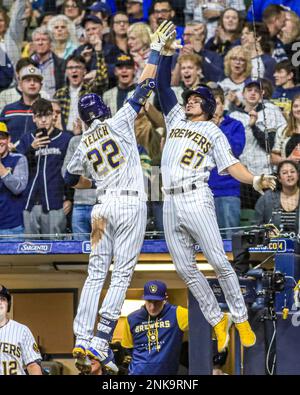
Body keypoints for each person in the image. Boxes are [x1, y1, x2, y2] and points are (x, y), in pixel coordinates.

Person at [64, 20, 176, 374]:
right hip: (128, 203)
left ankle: (82, 335)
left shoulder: (82, 141)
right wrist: (155, 49)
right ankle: (100, 339)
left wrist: (94, 182)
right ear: (103, 111)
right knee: (123, 273)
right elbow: (144, 86)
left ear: (83, 119)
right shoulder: (119, 122)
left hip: (100, 207)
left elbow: (69, 178)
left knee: (96, 273)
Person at [155, 35, 277, 353]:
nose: (190, 101)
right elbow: (162, 88)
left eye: (196, 99)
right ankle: (216, 320)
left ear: (207, 107)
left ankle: (240, 318)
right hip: (169, 200)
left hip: (196, 196)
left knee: (219, 264)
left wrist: (255, 180)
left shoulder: (213, 130)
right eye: (190, 98)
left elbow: (232, 166)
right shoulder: (176, 118)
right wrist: (167, 54)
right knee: (184, 268)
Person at [17, 98, 72, 236]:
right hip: (30, 204)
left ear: (54, 115)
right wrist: (31, 149)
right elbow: (18, 169)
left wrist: (70, 198)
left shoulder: (65, 139)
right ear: (34, 118)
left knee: (56, 250)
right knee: (30, 251)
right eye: (39, 116)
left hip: (55, 203)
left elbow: (72, 171)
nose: (43, 120)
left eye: (47, 115)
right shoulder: (26, 139)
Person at [230, 78, 286, 209]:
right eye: (249, 90)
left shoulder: (271, 112)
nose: (253, 93)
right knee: (247, 219)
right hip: (244, 176)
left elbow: (271, 145)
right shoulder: (234, 116)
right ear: (243, 93)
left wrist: (254, 126)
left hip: (267, 174)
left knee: (270, 216)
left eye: (257, 90)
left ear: (262, 94)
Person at [121, 280, 188, 375]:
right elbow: (128, 347)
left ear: (165, 299)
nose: (152, 307)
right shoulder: (131, 319)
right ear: (144, 299)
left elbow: (205, 320)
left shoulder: (177, 314)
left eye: (157, 302)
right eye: (149, 301)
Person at [208, 87, 245, 239]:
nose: (214, 108)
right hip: (204, 191)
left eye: (216, 104)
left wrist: (216, 130)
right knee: (207, 240)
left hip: (228, 191)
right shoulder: (198, 128)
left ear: (223, 105)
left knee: (230, 241)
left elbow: (235, 151)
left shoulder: (235, 125)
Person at [54, 54, 108, 132]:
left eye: (78, 67)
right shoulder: (59, 94)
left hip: (86, 134)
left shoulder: (90, 91)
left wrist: (99, 51)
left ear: (84, 71)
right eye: (70, 68)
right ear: (66, 71)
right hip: (64, 135)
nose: (74, 71)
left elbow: (102, 80)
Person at [0, 285, 43, 375]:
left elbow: (33, 365)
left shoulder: (22, 330)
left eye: (2, 299)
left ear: (8, 304)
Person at [0, 65, 44, 145]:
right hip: (11, 155)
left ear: (41, 85)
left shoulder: (49, 109)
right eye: (28, 80)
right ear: (20, 84)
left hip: (40, 155)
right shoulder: (8, 110)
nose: (32, 83)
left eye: (36, 80)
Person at [254, 160, 300, 234]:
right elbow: (256, 225)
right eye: (284, 173)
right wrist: (267, 232)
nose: (289, 175)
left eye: (292, 172)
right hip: (274, 243)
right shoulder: (267, 197)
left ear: (298, 175)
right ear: (279, 178)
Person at [0, 121, 28, 238]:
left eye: (2, 138)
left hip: (12, 228)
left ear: (9, 139)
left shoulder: (19, 159)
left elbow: (18, 188)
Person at [30, 26, 66, 99]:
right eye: (37, 40)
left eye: (44, 40)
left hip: (54, 106)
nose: (40, 43)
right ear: (33, 43)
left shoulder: (61, 64)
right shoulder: (26, 64)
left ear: (50, 43)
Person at [219, 46, 252, 111]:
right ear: (228, 62)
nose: (237, 62)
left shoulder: (251, 84)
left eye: (242, 60)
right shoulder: (221, 83)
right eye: (234, 59)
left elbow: (253, 110)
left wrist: (237, 102)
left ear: (247, 64)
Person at [272, 94, 300, 165]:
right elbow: (273, 157)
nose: (299, 109)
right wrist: (287, 160)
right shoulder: (283, 130)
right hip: (289, 173)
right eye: (295, 106)